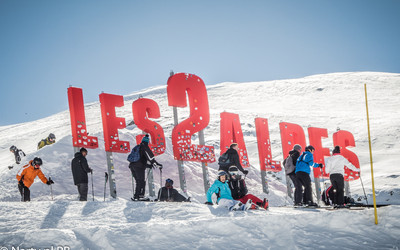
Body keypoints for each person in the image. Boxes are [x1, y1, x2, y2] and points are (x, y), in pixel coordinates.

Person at [129, 134, 163, 201]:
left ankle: (136, 196)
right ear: (147, 141)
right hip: (138, 167)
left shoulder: (138, 147)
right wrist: (156, 164)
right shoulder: (145, 146)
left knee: (138, 181)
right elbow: (150, 157)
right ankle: (141, 196)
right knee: (141, 181)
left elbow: (139, 160)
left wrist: (148, 166)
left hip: (132, 166)